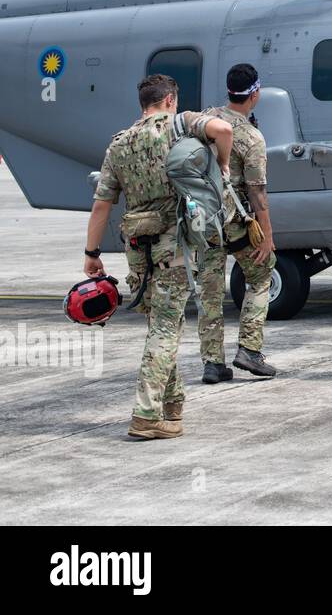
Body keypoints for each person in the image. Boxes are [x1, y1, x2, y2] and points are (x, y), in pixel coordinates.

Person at [83, 74, 233, 440]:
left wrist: (92, 254)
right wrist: (224, 167)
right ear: (170, 100)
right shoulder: (182, 125)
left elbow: (101, 205)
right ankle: (146, 415)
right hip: (175, 244)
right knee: (166, 327)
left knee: (161, 325)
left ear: (143, 103)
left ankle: (173, 408)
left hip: (139, 250)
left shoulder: (119, 144)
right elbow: (224, 129)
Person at [195, 64, 278, 384]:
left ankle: (212, 363)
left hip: (203, 218)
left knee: (210, 291)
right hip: (235, 221)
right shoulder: (251, 137)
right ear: (254, 94)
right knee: (261, 273)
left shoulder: (207, 119)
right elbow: (257, 192)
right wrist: (267, 236)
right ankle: (250, 350)